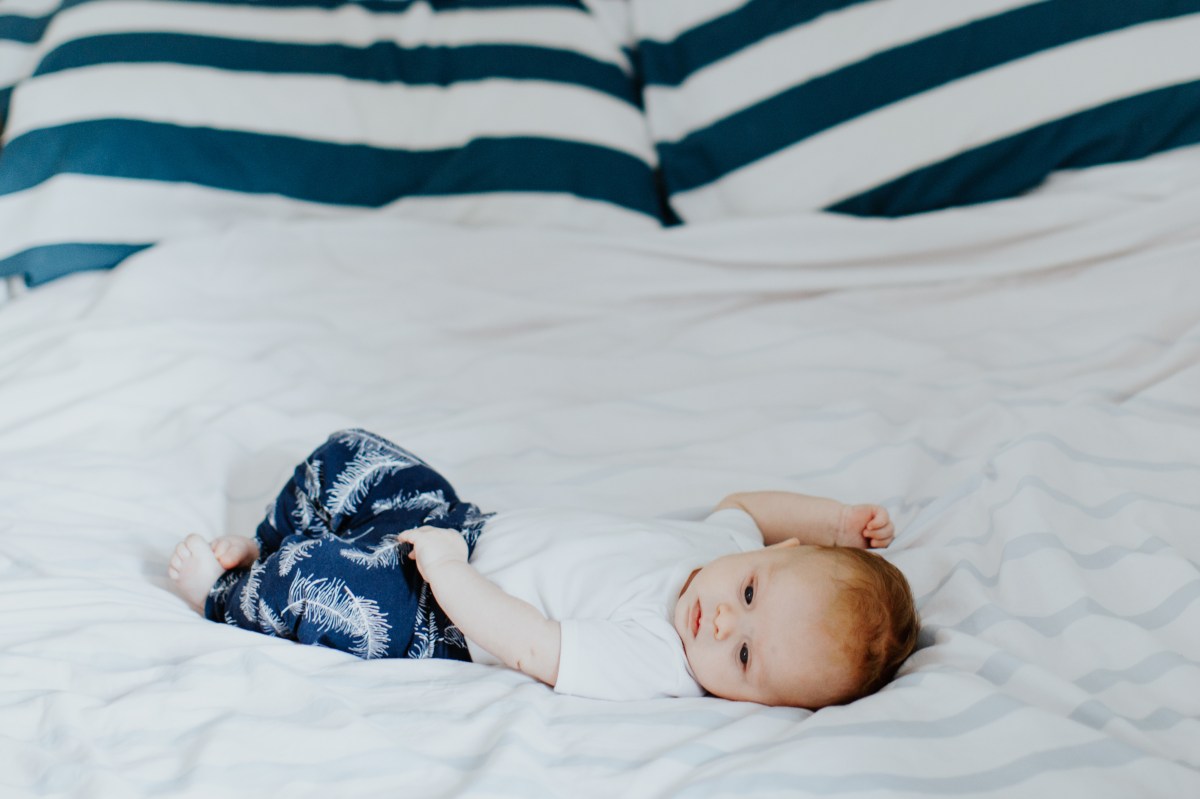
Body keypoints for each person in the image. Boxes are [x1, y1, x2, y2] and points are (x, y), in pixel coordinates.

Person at [168, 429, 919, 708]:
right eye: (751, 593)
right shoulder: (724, 546)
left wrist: (450, 577)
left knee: (316, 582)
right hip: (463, 524)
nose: (723, 621)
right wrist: (834, 524)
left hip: (441, 612)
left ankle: (224, 592)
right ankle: (268, 538)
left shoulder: (660, 658)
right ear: (775, 553)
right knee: (350, 456)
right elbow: (747, 503)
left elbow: (534, 644)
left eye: (746, 657)